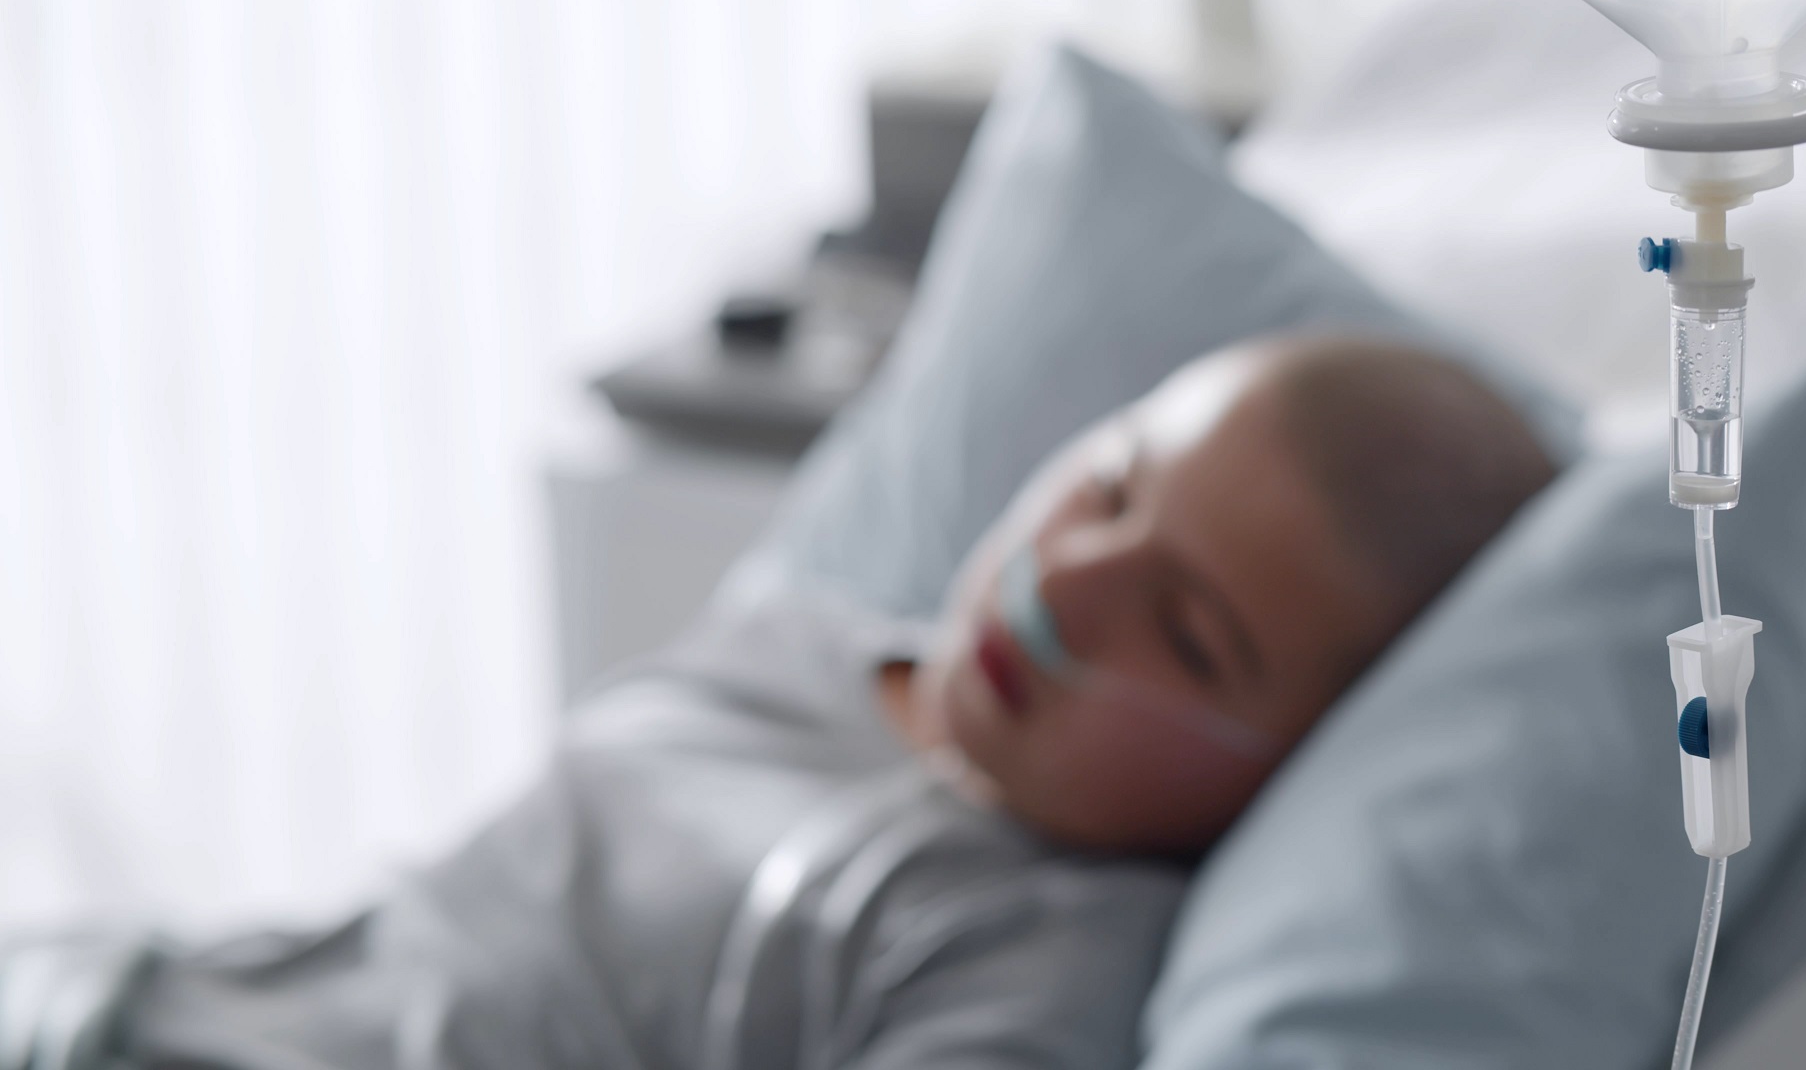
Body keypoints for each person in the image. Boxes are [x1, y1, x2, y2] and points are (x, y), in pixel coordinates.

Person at [1, 335, 1554, 1070]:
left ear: (1285, 776)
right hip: (142, 999)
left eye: (1191, 637)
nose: (1073, 586)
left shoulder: (1041, 953)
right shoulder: (807, 639)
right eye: (1112, 489)